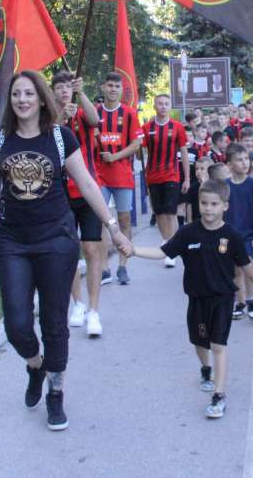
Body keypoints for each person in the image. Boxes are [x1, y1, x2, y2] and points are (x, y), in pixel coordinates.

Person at [0, 70, 132, 431]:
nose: (23, 99)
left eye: (29, 93)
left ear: (42, 98)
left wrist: (114, 230)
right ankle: (35, 365)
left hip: (56, 240)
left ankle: (56, 392)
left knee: (54, 323)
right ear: (10, 101)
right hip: (13, 242)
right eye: (16, 94)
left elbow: (88, 184)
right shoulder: (0, 140)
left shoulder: (61, 138)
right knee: (17, 325)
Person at [128, 179, 253, 418]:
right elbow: (163, 252)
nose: (208, 208)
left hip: (223, 298)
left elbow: (245, 265)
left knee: (218, 345)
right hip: (196, 298)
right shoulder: (188, 232)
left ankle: (219, 395)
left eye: (214, 204)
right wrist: (134, 250)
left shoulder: (230, 236)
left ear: (225, 206)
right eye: (204, 203)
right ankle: (206, 368)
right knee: (199, 342)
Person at [51, 72, 106, 337]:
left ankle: (94, 310)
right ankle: (78, 303)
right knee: (69, 249)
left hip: (88, 190)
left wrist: (81, 94)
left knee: (92, 249)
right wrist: (62, 116)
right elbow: (47, 135)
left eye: (67, 87)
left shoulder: (82, 111)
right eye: (59, 87)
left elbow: (96, 120)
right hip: (60, 194)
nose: (63, 91)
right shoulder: (47, 116)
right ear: (52, 91)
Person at [95, 72, 144, 285]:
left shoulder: (130, 114)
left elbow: (136, 144)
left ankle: (123, 267)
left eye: (117, 86)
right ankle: (104, 267)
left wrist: (115, 156)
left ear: (121, 90)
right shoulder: (94, 112)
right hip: (98, 176)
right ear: (103, 87)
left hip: (123, 175)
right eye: (110, 85)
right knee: (100, 221)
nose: (113, 89)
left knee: (124, 220)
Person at [142, 94, 191, 268]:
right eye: (160, 103)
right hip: (153, 176)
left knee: (171, 213)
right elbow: (140, 150)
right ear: (155, 106)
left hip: (172, 175)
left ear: (170, 106)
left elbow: (184, 152)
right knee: (160, 213)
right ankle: (166, 241)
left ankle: (171, 250)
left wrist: (187, 178)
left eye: (166, 103)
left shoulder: (177, 126)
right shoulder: (147, 127)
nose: (163, 106)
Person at [222, 142, 253, 320]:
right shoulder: (225, 185)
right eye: (239, 160)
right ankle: (240, 302)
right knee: (235, 271)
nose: (244, 163)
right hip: (230, 234)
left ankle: (250, 299)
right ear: (230, 164)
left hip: (249, 234)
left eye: (246, 159)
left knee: (247, 267)